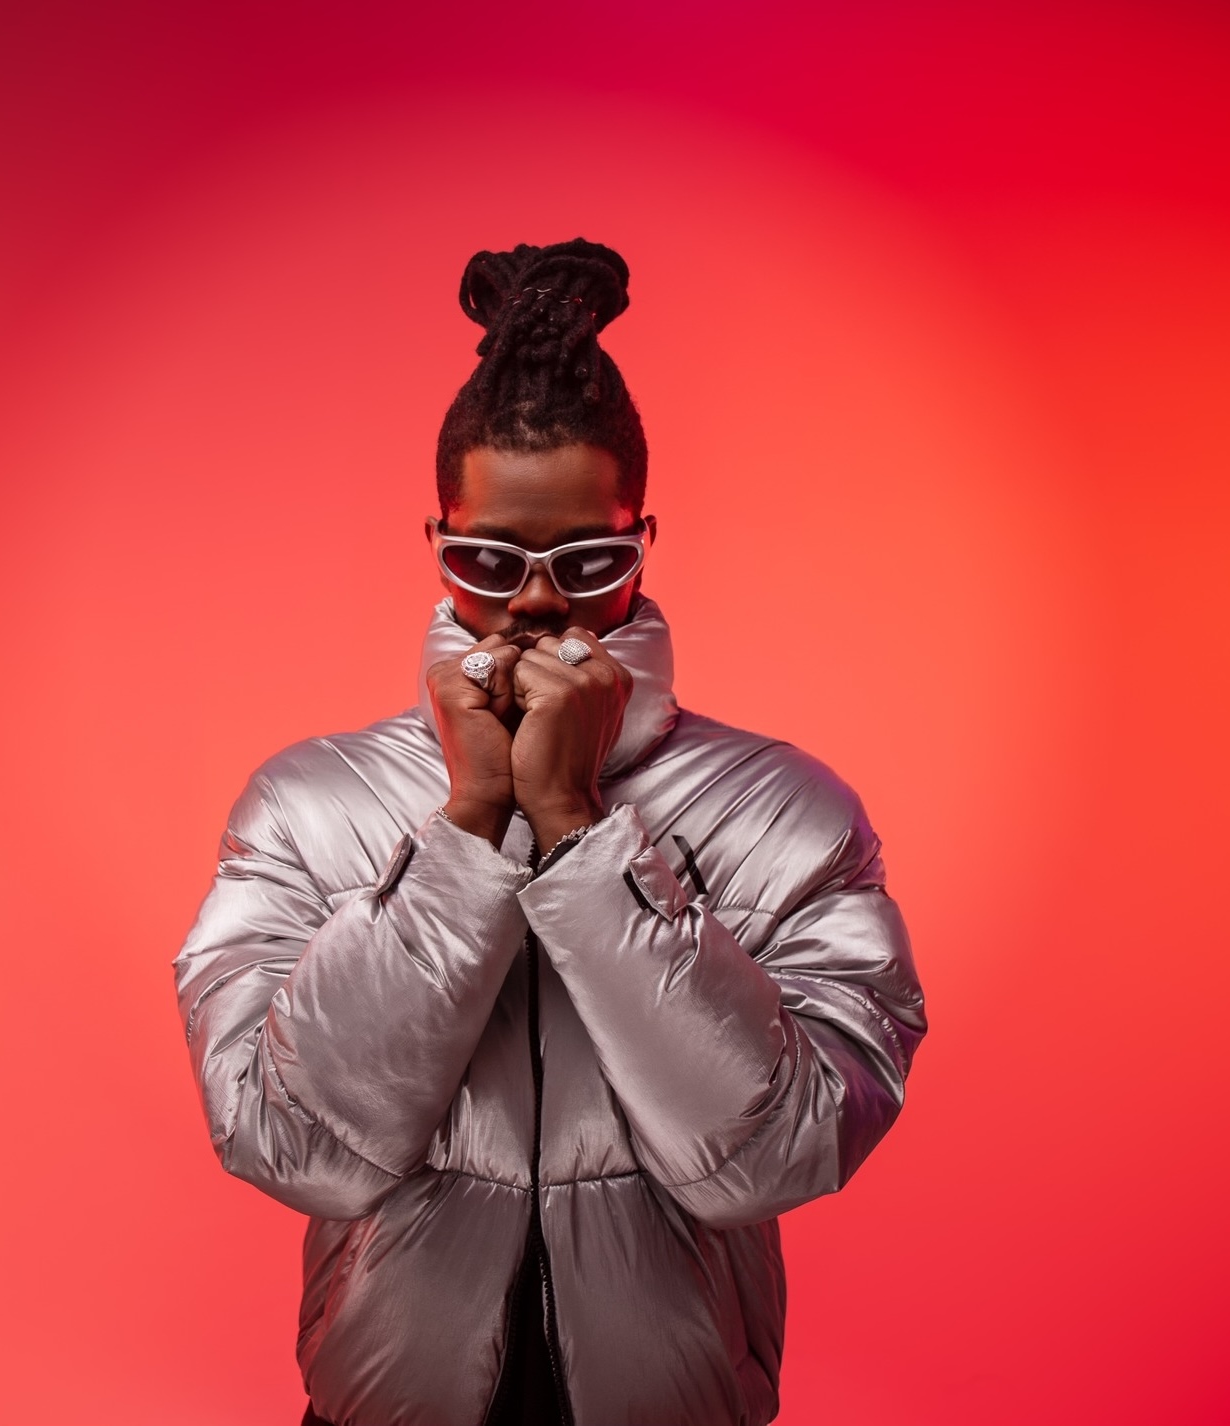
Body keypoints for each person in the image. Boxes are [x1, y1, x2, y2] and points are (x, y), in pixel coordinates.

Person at [171, 238, 927, 1426]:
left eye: (587, 559)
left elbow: (781, 1153)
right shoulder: (307, 805)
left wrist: (579, 831)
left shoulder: (789, 811)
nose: (534, 599)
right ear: (435, 545)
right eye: (488, 560)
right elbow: (288, 1143)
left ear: (643, 541)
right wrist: (469, 827)